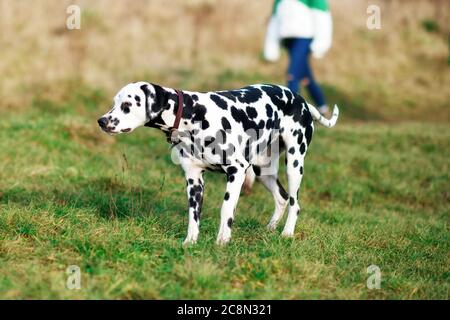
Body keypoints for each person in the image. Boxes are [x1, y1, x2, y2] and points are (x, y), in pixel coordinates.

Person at [264, 0, 333, 115]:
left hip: (304, 37)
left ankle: (291, 112)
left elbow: (322, 16)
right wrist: (271, 48)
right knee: (305, 78)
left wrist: (321, 43)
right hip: (287, 39)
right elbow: (275, 20)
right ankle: (324, 109)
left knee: (292, 74)